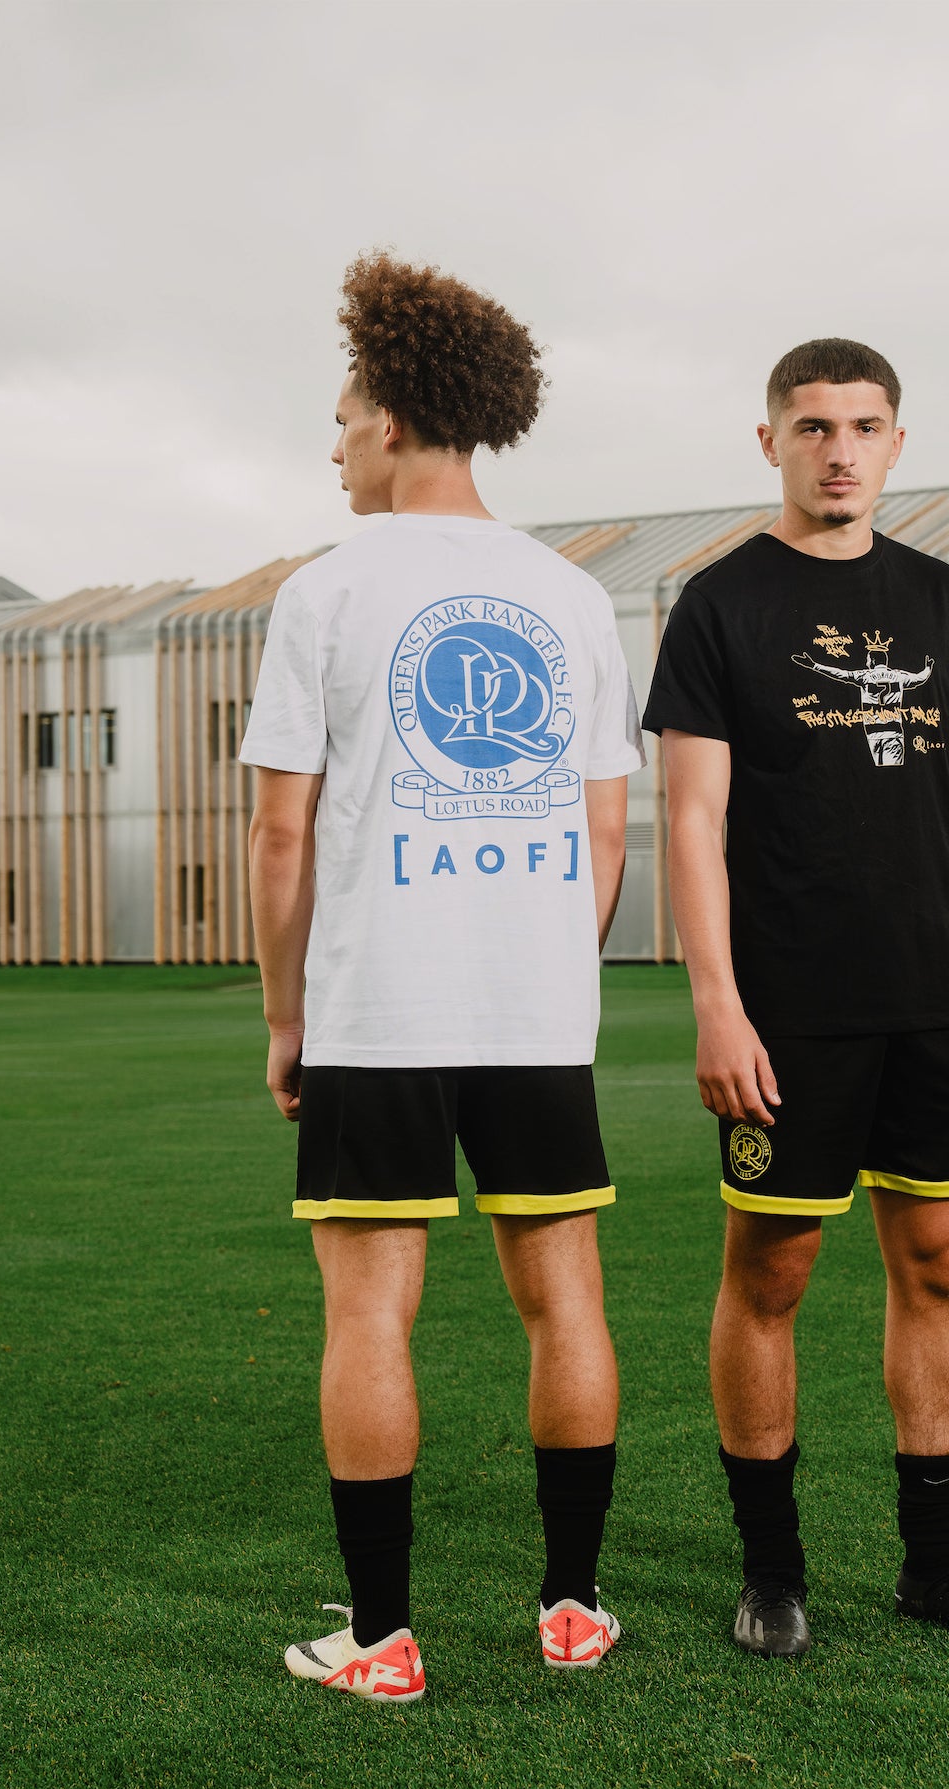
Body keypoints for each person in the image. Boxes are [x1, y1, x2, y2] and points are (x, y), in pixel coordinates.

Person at [642, 338, 949, 1659]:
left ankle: (938, 1570)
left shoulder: (937, 596)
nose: (840, 451)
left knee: (942, 1262)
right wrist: (715, 1003)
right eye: (814, 427)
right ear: (771, 442)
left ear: (897, 444)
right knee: (772, 1272)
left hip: (931, 996)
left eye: (864, 427)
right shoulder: (719, 606)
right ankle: (772, 1572)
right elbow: (692, 821)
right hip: (788, 1006)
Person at [241, 252, 645, 1701]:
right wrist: (541, 966)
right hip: (539, 1018)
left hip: (378, 1012)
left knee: (369, 1315)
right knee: (566, 1303)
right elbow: (608, 832)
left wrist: (286, 1014)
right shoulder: (574, 597)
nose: (336, 447)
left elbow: (279, 832)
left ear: (398, 419)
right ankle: (574, 1610)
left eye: (345, 420)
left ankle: (383, 1639)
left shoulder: (324, 592)